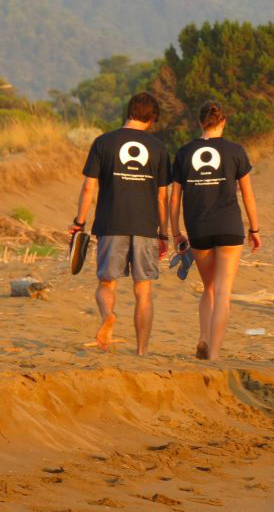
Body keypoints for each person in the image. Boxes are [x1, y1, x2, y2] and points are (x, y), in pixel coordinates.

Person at [68, 92, 171, 355]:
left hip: (110, 223)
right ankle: (142, 351)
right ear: (152, 118)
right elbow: (162, 196)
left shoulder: (103, 142)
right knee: (143, 291)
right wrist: (164, 233)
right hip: (146, 226)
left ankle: (108, 317)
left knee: (106, 283)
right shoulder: (158, 148)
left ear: (128, 112)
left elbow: (89, 186)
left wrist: (79, 222)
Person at [169, 101, 261, 360]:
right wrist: (255, 228)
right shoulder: (235, 151)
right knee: (223, 292)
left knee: (208, 288)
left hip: (199, 229)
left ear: (200, 123)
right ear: (224, 122)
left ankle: (203, 338)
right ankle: (215, 354)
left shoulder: (184, 153)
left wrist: (175, 232)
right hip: (230, 227)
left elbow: (174, 198)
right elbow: (248, 195)